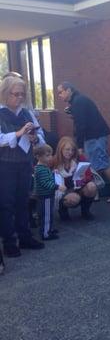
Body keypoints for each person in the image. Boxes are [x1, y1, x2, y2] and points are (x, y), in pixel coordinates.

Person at [56, 82, 110, 203]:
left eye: (61, 92)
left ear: (69, 90)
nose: (59, 95)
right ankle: (98, 192)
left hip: (95, 136)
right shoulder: (78, 100)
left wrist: (79, 145)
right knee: (95, 164)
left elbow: (81, 125)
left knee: (102, 164)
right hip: (94, 135)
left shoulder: (78, 102)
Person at [0, 76, 45, 257]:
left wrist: (35, 138)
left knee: (22, 201)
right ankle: (9, 242)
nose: (19, 98)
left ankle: (25, 236)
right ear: (5, 93)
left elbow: (41, 134)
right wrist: (18, 133)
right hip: (5, 165)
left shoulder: (27, 112)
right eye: (15, 94)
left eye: (22, 94)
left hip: (25, 163)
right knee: (6, 203)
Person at [53, 136, 98, 221]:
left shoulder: (79, 158)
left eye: (73, 150)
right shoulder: (54, 161)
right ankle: (62, 209)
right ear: (61, 149)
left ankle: (85, 211)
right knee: (73, 199)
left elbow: (89, 175)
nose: (70, 152)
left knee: (92, 186)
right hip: (62, 191)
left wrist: (84, 178)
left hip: (78, 187)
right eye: (67, 149)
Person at [33, 144, 66, 240]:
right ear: (38, 157)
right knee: (46, 215)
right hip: (45, 196)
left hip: (46, 195)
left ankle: (49, 229)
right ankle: (45, 234)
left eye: (50, 155)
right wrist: (57, 187)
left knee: (49, 213)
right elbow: (45, 183)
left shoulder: (43, 167)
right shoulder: (41, 169)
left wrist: (52, 173)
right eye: (47, 155)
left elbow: (46, 178)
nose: (50, 157)